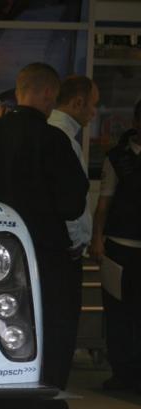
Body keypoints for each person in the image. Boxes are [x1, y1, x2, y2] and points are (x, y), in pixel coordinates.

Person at [0, 63, 89, 409]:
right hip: (44, 264)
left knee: (3, 351)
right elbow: (72, 203)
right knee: (41, 356)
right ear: (48, 95)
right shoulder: (52, 140)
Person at [42, 75, 99, 409]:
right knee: (60, 336)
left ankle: (50, 405)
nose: (95, 111)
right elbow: (71, 203)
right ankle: (50, 408)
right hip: (64, 252)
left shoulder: (56, 135)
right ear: (77, 102)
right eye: (93, 103)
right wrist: (77, 242)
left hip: (54, 250)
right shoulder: (61, 138)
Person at [90, 100, 141, 393]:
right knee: (119, 315)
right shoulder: (117, 158)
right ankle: (122, 373)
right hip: (120, 246)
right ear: (135, 122)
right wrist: (97, 238)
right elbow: (104, 203)